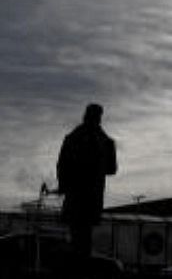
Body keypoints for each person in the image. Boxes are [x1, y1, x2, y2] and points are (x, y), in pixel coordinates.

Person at [56, 103, 118, 275]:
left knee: (78, 239)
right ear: (99, 117)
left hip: (77, 197)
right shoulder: (105, 141)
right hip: (91, 197)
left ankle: (78, 269)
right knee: (83, 240)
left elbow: (61, 166)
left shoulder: (72, 138)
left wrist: (64, 185)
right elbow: (112, 169)